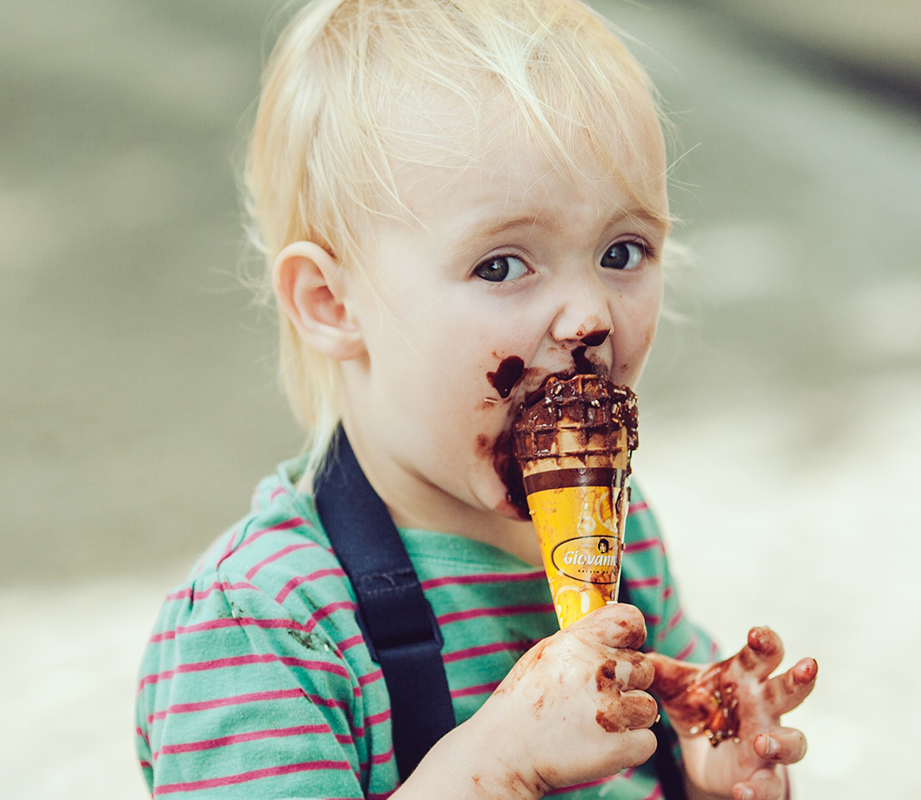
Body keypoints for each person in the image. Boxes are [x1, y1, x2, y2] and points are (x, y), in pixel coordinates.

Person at [134, 1, 817, 798]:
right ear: (332, 303)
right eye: (501, 266)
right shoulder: (270, 627)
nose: (589, 316)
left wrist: (708, 775)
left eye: (621, 251)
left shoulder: (624, 538)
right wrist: (498, 767)